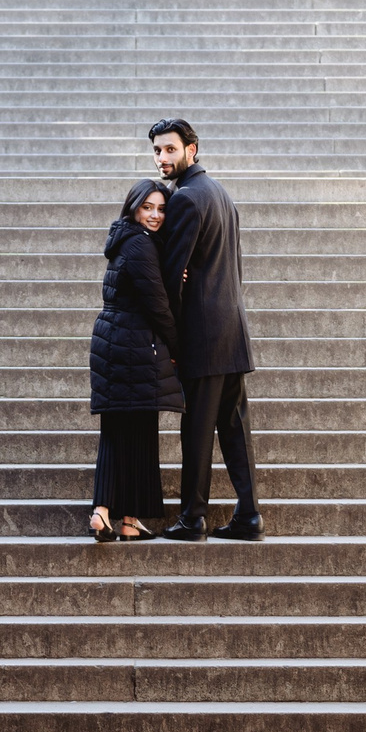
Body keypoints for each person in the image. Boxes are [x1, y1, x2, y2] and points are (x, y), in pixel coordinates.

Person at [149, 118, 261, 541]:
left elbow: (171, 275)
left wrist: (171, 340)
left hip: (204, 335)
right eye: (158, 151)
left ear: (191, 150)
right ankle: (249, 515)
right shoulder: (221, 194)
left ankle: (192, 517)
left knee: (197, 428)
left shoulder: (186, 199)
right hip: (233, 331)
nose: (163, 158)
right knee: (235, 428)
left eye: (171, 150)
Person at [87, 179, 181, 543]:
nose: (155, 215)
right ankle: (107, 511)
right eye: (148, 208)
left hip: (113, 341)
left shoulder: (128, 240)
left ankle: (121, 517)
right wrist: (177, 347)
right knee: (135, 429)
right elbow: (158, 304)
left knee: (123, 430)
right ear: (133, 208)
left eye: (161, 209)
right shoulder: (141, 244)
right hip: (133, 344)